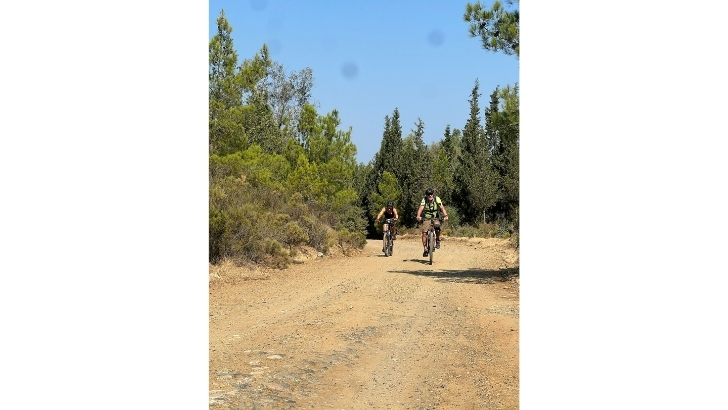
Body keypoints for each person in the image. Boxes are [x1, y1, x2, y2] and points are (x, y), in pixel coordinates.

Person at [416, 188, 449, 257]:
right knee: (424, 233)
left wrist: (445, 216)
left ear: (433, 194)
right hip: (426, 218)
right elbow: (421, 208)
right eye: (428, 194)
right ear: (426, 195)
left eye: (431, 194)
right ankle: (425, 248)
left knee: (437, 228)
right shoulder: (424, 200)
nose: (430, 195)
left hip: (435, 217)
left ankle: (437, 239)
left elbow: (442, 207)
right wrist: (418, 216)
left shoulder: (437, 199)